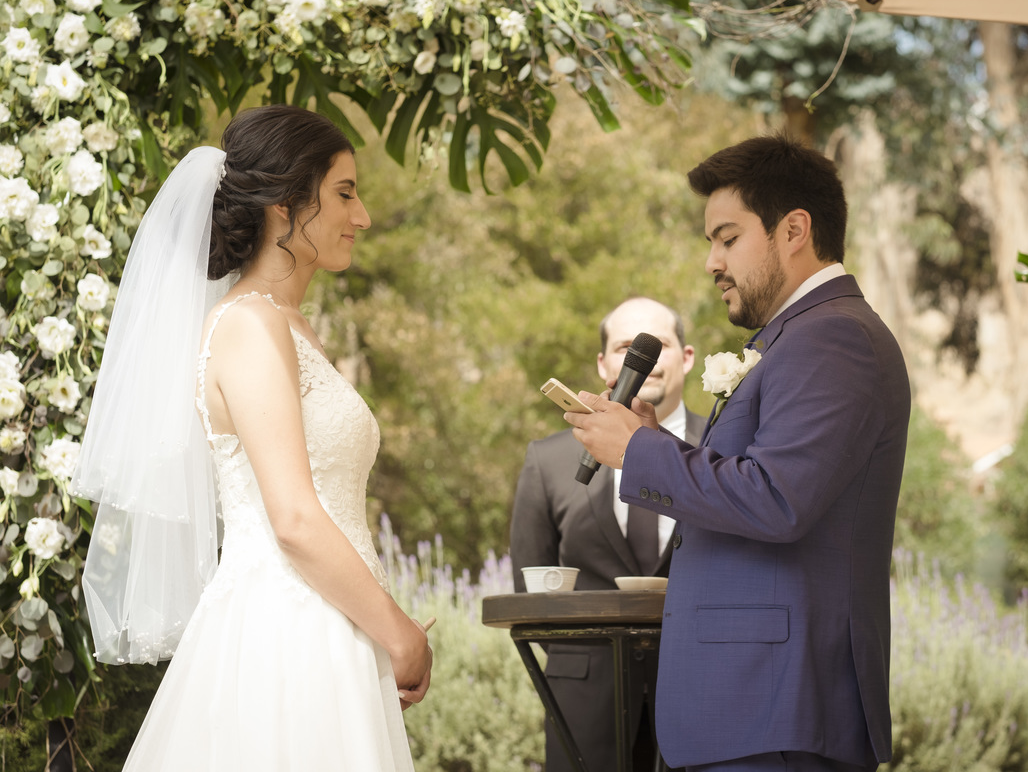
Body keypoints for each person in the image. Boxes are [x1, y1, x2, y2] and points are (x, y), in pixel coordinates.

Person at [72, 105, 431, 771]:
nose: (362, 217)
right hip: (285, 634)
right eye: (344, 194)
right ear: (283, 205)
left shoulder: (290, 325)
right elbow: (292, 518)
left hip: (331, 625)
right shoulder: (249, 326)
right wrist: (400, 633)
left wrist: (374, 634)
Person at [564, 135, 910, 772]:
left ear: (794, 230)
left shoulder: (833, 336)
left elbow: (777, 499)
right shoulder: (798, 336)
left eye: (727, 238)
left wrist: (638, 452)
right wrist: (654, 441)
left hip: (777, 712)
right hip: (753, 712)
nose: (712, 262)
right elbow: (761, 482)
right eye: (710, 243)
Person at [510, 296, 706, 772]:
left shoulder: (720, 455)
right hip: (582, 709)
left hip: (702, 697)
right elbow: (531, 589)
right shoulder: (548, 461)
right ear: (603, 364)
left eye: (658, 346)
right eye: (625, 347)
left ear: (686, 358)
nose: (644, 360)